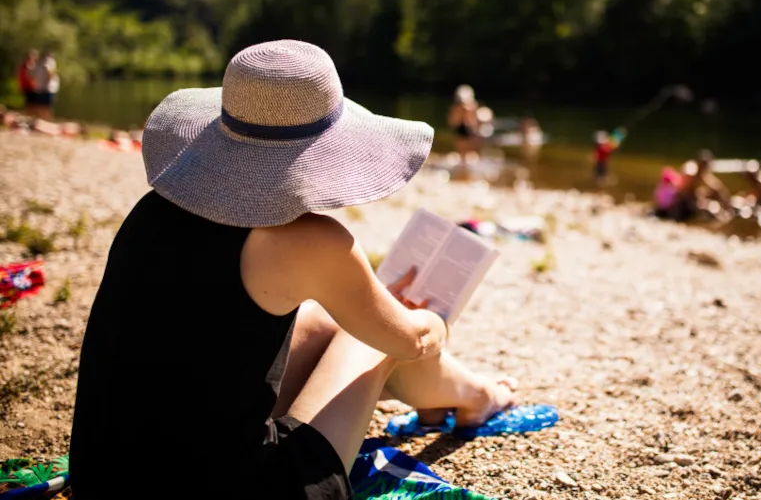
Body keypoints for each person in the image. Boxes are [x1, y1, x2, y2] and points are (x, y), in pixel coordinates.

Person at [70, 41, 518, 499]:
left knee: (328, 322)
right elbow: (410, 341)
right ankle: (478, 398)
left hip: (105, 478)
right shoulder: (311, 240)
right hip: (244, 490)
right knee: (373, 340)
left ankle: (460, 397)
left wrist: (374, 306)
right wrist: (430, 324)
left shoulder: (156, 207)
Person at [677, 150, 730, 220]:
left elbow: (717, 187)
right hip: (682, 201)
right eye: (704, 165)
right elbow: (685, 188)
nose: (705, 168)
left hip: (692, 199)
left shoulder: (703, 173)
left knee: (712, 194)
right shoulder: (691, 168)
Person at [447, 84, 480, 164]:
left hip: (468, 127)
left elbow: (473, 120)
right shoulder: (456, 108)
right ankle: (463, 161)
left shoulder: (472, 107)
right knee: (461, 144)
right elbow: (452, 121)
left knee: (468, 145)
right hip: (460, 127)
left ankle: (465, 161)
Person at [30, 50, 59, 121]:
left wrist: (42, 83)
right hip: (45, 88)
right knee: (44, 107)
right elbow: (49, 72)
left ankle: (45, 121)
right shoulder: (47, 62)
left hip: (44, 88)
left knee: (44, 107)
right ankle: (45, 121)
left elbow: (49, 73)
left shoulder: (44, 62)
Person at [17, 49, 39, 116]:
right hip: (29, 87)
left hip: (34, 87)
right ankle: (29, 117)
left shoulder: (33, 65)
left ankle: (32, 118)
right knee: (30, 104)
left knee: (35, 105)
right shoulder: (25, 65)